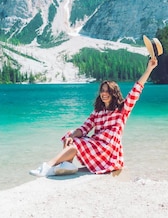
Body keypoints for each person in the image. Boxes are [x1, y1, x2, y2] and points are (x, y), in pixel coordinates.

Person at [30, 57, 158, 177]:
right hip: (96, 146)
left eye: (107, 91)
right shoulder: (97, 112)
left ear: (114, 93)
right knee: (70, 136)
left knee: (76, 144)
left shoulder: (122, 110)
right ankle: (68, 164)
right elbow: (85, 128)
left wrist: (149, 69)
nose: (104, 93)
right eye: (102, 90)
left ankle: (47, 166)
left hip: (108, 152)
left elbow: (136, 90)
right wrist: (72, 136)